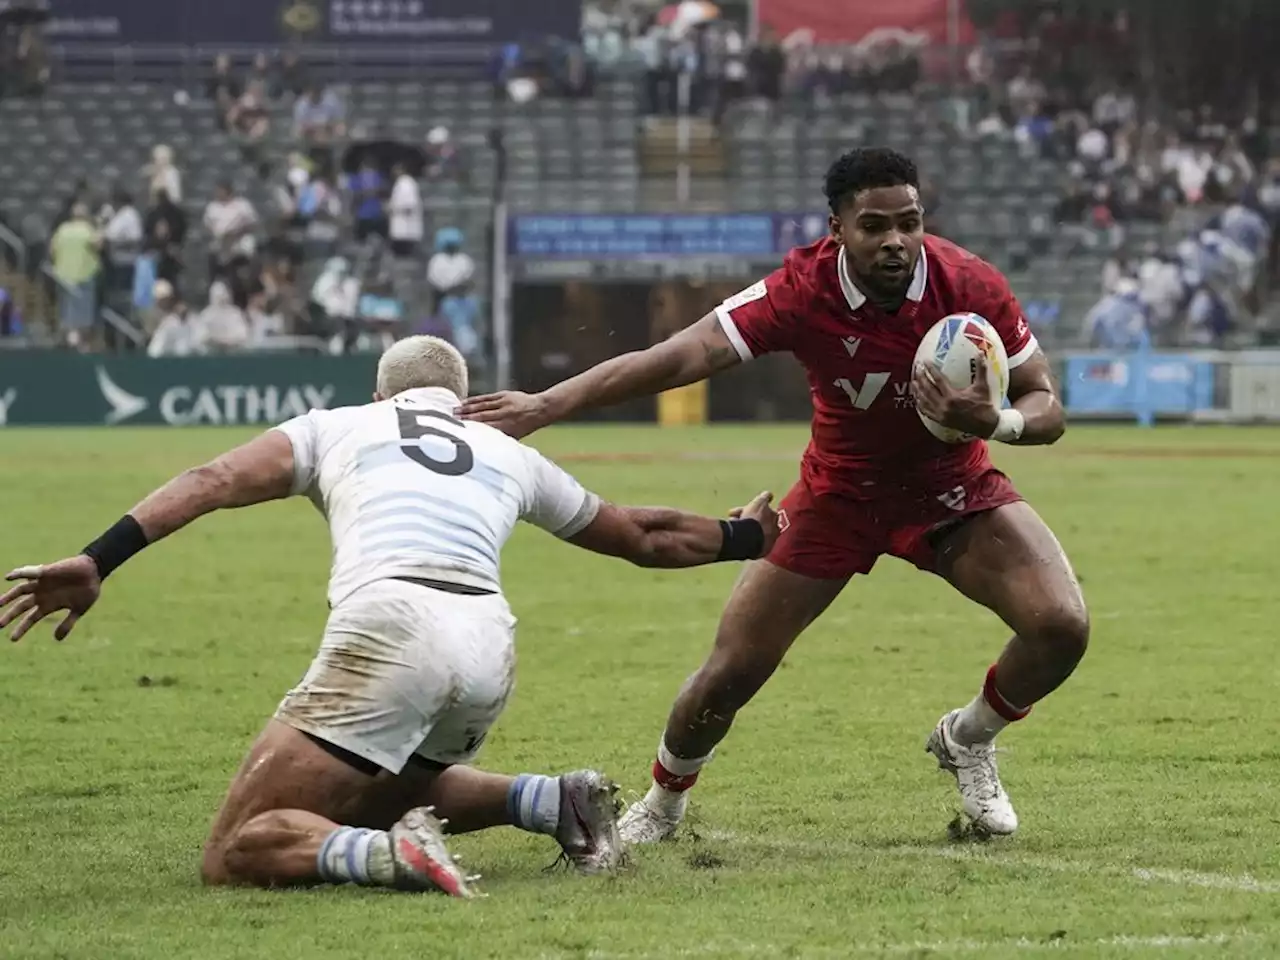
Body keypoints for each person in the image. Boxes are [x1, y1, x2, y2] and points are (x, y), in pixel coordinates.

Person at [460, 147, 1089, 842]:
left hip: (950, 486)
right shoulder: (801, 288)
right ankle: (664, 804)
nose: (896, 241)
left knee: (1061, 626)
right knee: (731, 672)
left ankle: (968, 738)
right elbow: (680, 354)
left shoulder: (969, 283)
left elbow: (1046, 406)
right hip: (838, 496)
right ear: (837, 228)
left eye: (908, 222)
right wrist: (546, 405)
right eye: (875, 225)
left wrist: (993, 422)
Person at [0, 336, 781, 895]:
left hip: (392, 628)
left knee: (238, 848)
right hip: (487, 647)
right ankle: (553, 800)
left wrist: (98, 558)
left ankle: (397, 860)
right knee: (372, 794)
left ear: (382, 395)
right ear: (462, 395)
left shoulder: (337, 424)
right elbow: (643, 535)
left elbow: (211, 479)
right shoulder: (505, 449)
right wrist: (749, 535)